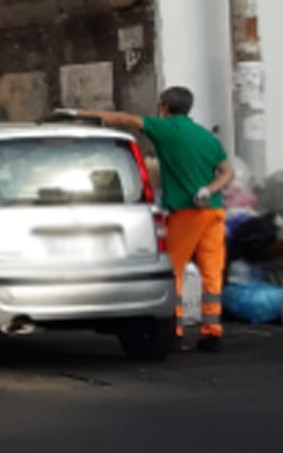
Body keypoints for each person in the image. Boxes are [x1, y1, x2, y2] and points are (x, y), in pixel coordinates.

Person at [82, 86, 234, 352]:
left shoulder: (166, 130)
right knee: (212, 273)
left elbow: (125, 119)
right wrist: (209, 190)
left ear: (164, 106)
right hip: (213, 211)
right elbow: (227, 172)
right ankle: (212, 333)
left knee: (173, 271)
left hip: (186, 212)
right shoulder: (206, 137)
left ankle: (174, 330)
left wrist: (83, 114)